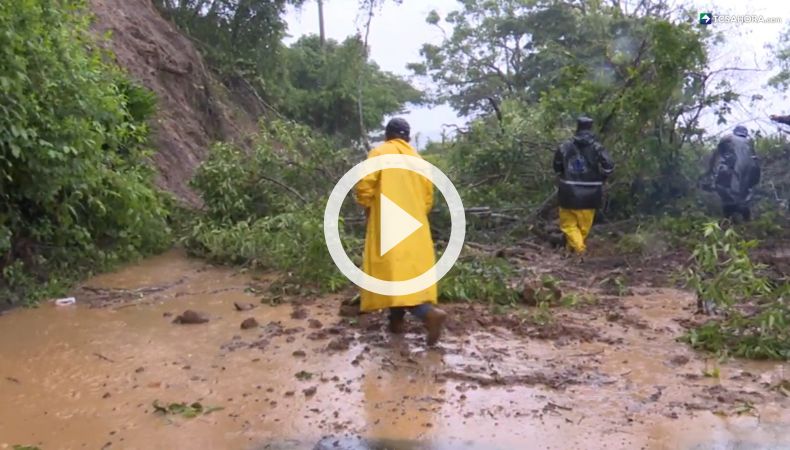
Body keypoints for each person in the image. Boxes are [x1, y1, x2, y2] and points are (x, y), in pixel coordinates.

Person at [355, 117, 447, 346]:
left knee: (391, 277)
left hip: (389, 225)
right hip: (416, 228)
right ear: (407, 138)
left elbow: (364, 186)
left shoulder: (380, 153)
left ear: (387, 135)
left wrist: (367, 206)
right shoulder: (419, 161)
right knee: (404, 276)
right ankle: (396, 324)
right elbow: (428, 200)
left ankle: (428, 314)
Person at [553, 116, 615, 256]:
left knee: (569, 226)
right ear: (590, 128)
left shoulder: (564, 146)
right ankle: (577, 251)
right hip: (590, 194)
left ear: (577, 127)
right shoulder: (597, 147)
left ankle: (577, 251)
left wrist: (563, 174)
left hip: (568, 193)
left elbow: (557, 167)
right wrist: (601, 178)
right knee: (583, 229)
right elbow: (609, 166)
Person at [704, 125, 760, 221]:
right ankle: (744, 217)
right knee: (743, 194)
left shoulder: (727, 138)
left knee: (726, 192)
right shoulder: (749, 142)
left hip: (730, 170)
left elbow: (716, 155)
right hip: (748, 172)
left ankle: (729, 217)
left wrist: (709, 170)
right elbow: (755, 163)